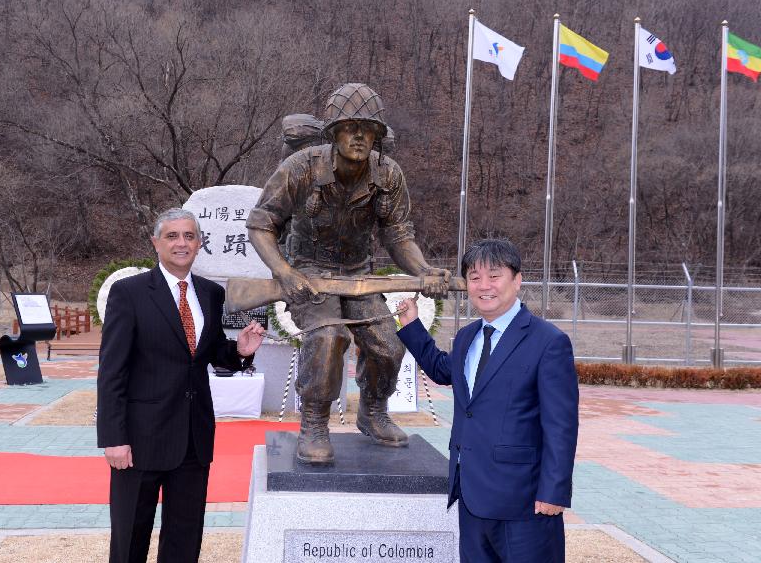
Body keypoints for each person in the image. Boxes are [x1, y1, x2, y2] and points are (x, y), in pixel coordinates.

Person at [246, 83, 451, 464]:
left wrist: (424, 270)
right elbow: (261, 225)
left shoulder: (388, 175)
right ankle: (314, 422)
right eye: (349, 127)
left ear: (377, 135)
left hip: (358, 274)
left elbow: (398, 234)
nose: (358, 136)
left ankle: (372, 410)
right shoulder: (301, 168)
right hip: (309, 275)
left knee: (388, 346)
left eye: (367, 128)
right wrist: (284, 272)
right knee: (327, 338)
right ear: (333, 133)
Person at [97, 208, 266, 563]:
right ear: (155, 242)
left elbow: (208, 352)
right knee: (130, 538)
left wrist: (239, 351)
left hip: (193, 438)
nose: (181, 243)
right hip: (140, 441)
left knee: (185, 539)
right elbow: (112, 371)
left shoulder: (208, 293)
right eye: (172, 236)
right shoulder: (129, 293)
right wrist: (114, 438)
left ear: (200, 243)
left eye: (189, 236)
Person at [396, 239, 578, 563]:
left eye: (494, 276)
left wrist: (554, 491)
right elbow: (441, 370)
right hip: (471, 496)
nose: (484, 286)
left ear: (517, 280)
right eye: (475, 277)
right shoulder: (468, 336)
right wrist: (411, 325)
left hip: (523, 503)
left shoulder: (548, 342)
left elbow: (561, 425)